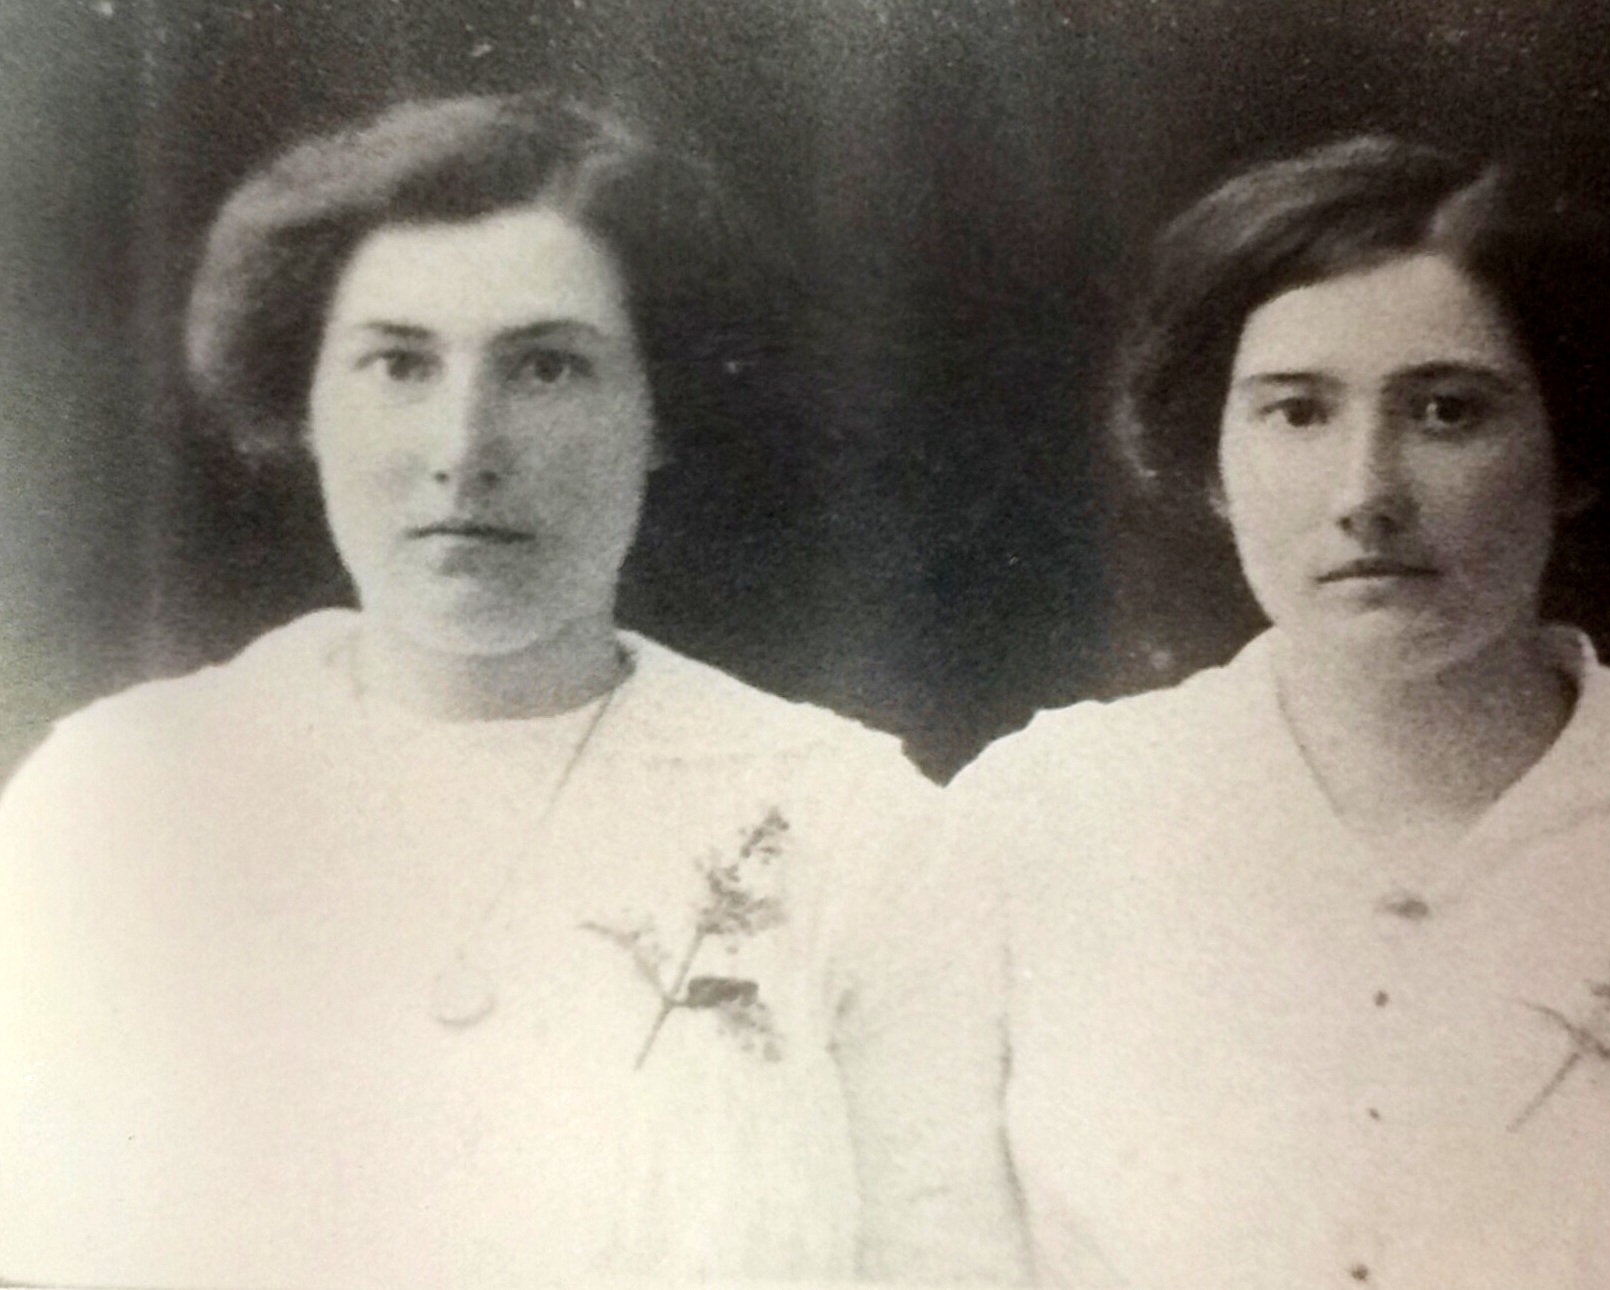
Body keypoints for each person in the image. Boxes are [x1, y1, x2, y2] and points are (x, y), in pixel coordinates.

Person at [0, 93, 1025, 1288]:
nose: (464, 447)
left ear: (661, 409)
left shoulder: (848, 824)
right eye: (398, 364)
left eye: (545, 367)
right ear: (305, 403)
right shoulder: (121, 796)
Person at [950, 136, 1610, 1288]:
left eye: (1447, 412)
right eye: (1297, 413)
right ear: (1210, 461)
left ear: (1573, 455)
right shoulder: (1043, 820)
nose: (1367, 495)